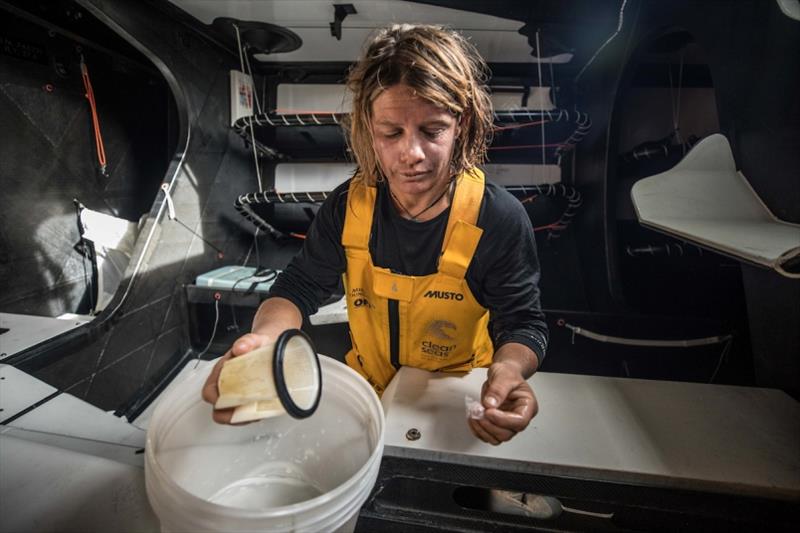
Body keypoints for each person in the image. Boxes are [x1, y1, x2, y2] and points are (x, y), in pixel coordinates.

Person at [203, 24, 548, 445]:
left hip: (459, 394)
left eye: (432, 130)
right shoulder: (347, 208)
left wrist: (509, 370)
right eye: (391, 133)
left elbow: (523, 323)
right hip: (368, 392)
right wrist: (266, 340)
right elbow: (297, 288)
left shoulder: (498, 218)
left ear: (462, 123)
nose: (412, 154)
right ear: (369, 128)